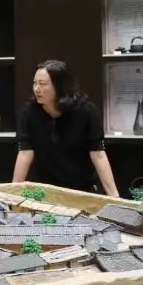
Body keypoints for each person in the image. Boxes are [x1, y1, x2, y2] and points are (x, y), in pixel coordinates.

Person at [13, 59, 120, 197]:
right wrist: (12, 192)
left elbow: (98, 155)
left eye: (42, 84)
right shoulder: (29, 112)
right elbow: (25, 153)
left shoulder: (86, 111)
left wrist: (114, 196)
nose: (36, 89)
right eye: (35, 83)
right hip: (44, 190)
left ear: (60, 86)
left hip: (82, 188)